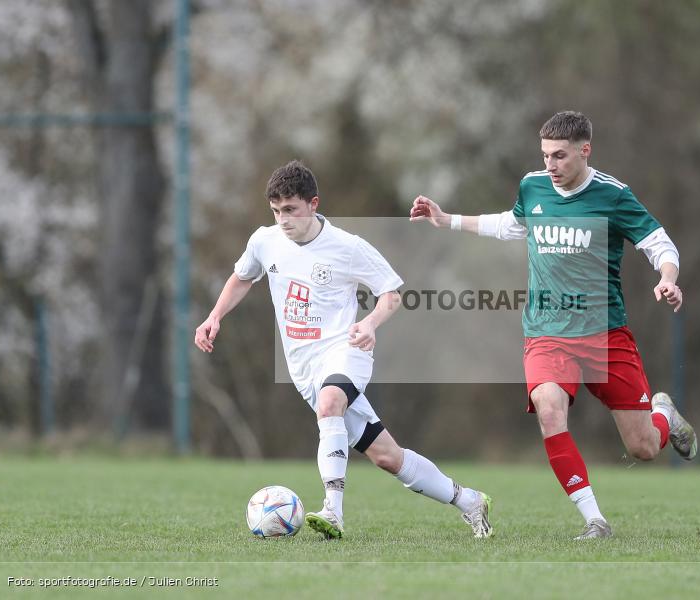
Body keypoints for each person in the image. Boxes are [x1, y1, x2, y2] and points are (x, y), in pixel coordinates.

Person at [409, 110, 697, 540]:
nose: (551, 165)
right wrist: (446, 218)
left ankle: (663, 416)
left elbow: (660, 244)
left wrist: (667, 279)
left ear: (585, 151)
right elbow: (511, 225)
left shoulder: (612, 195)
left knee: (642, 447)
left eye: (560, 156)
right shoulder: (534, 185)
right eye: (545, 155)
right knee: (548, 409)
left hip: (605, 334)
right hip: (547, 333)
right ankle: (595, 521)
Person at [195, 160, 492, 540]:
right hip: (303, 367)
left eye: (291, 210)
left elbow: (391, 294)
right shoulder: (264, 241)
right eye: (276, 211)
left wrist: (369, 324)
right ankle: (470, 501)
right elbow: (242, 277)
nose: (283, 219)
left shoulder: (347, 247)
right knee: (387, 457)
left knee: (330, 401)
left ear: (313, 204)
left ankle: (332, 511)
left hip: (346, 349)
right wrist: (214, 316)